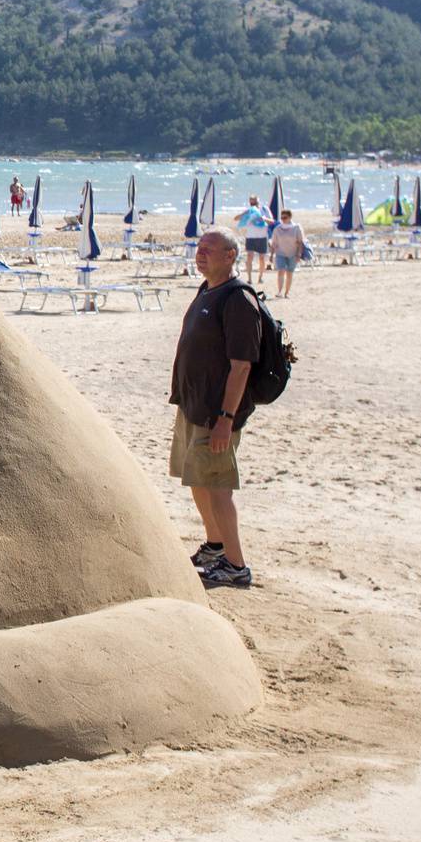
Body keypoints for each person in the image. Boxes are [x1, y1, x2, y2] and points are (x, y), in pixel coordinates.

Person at [170, 227, 261, 588]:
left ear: (231, 256)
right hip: (194, 407)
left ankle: (236, 566)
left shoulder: (238, 299)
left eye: (210, 249)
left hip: (217, 414)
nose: (200, 252)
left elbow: (241, 366)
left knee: (218, 486)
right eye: (198, 247)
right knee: (197, 481)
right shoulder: (208, 289)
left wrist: (225, 419)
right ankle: (215, 545)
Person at [234, 196, 272, 284]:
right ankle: (250, 278)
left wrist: (264, 218)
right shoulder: (249, 211)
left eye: (255, 202)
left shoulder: (264, 210)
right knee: (249, 257)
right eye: (251, 203)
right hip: (250, 237)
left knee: (262, 258)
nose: (253, 204)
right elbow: (236, 219)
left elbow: (272, 221)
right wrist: (244, 213)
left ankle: (260, 277)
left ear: (259, 202)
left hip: (262, 236)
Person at [269, 208, 306, 298]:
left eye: (285, 217)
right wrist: (271, 254)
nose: (283, 219)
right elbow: (274, 243)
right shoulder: (277, 229)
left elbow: (300, 242)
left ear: (290, 217)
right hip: (280, 253)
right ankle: (279, 291)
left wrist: (299, 254)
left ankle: (287, 292)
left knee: (289, 273)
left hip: (293, 253)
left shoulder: (296, 228)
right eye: (281, 218)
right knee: (280, 271)